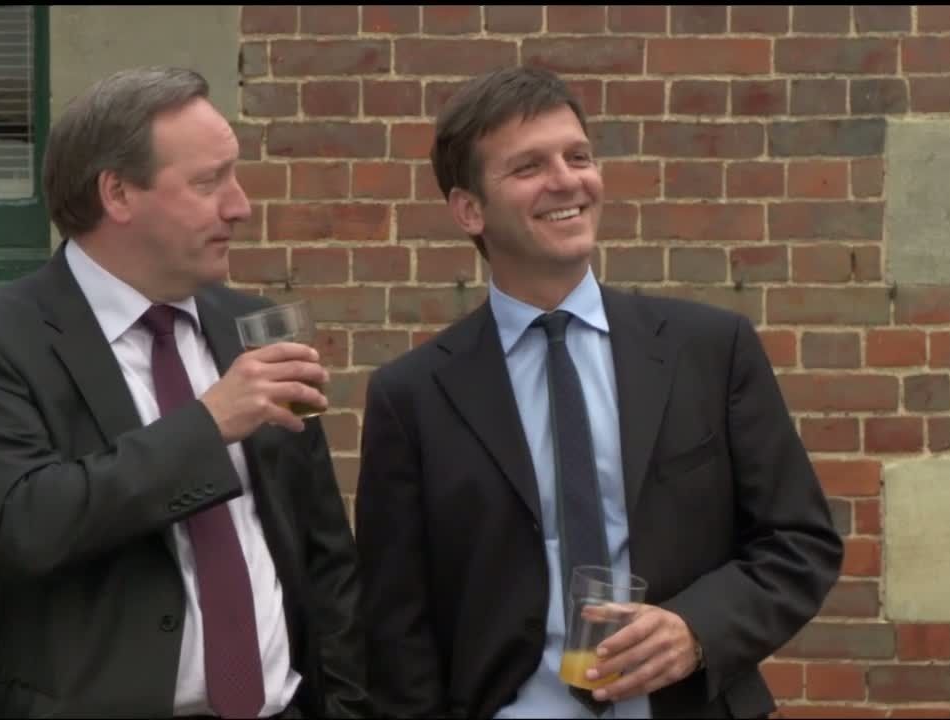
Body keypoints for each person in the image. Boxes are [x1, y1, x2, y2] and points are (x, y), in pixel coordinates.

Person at [354, 66, 844, 719]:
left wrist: (696, 630)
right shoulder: (412, 396)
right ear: (469, 209)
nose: (567, 180)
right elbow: (395, 630)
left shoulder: (709, 350)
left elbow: (799, 542)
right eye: (529, 166)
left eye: (578, 157)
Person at [0, 66, 370, 719]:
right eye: (209, 182)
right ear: (118, 194)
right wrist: (208, 425)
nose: (239, 205)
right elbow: (27, 523)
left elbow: (326, 558)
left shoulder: (250, 327)